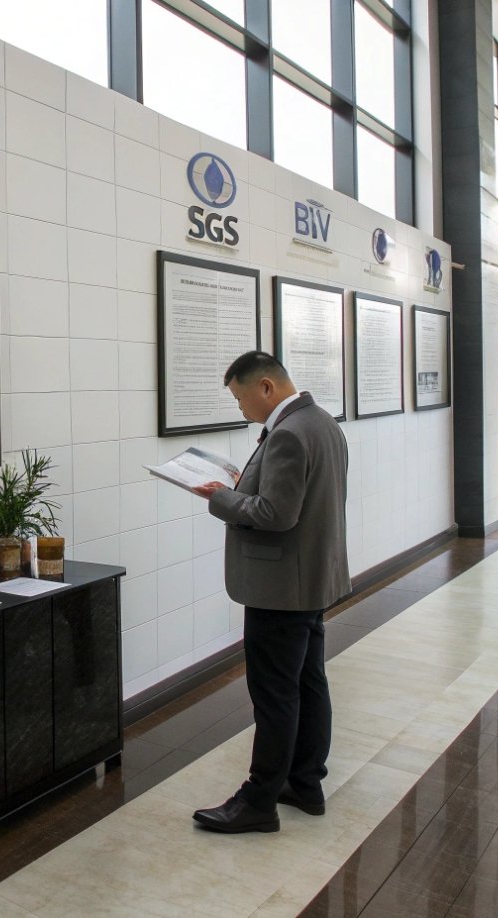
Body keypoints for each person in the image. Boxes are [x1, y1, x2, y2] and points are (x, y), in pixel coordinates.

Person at [189, 351, 349, 834]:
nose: (241, 409)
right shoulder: (322, 422)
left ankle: (259, 800)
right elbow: (292, 497)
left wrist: (221, 497)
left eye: (240, 399)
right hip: (310, 579)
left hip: (281, 586)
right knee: (307, 682)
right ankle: (304, 782)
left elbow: (276, 515)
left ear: (265, 387)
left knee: (274, 692)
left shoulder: (287, 434)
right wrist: (247, 485)